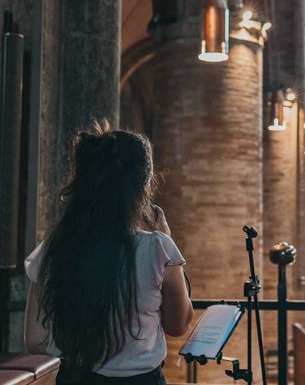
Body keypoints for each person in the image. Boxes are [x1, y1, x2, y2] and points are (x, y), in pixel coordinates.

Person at [23, 123, 194, 384]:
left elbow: (35, 340)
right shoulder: (158, 247)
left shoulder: (55, 248)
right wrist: (170, 246)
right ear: (143, 184)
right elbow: (178, 324)